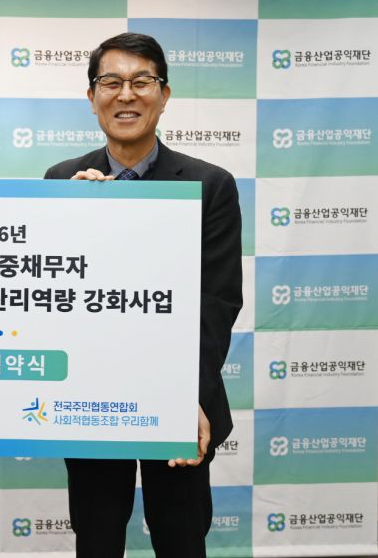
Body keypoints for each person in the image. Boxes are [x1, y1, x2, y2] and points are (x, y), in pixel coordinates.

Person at [44, 33, 242, 557]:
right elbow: (53, 297)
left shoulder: (209, 184)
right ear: (92, 97)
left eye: (141, 82)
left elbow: (217, 303)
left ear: (164, 94)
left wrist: (184, 395)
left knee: (181, 538)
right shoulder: (62, 180)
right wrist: (77, 217)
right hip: (91, 401)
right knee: (97, 538)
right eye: (111, 82)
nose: (126, 95)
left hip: (181, 401)